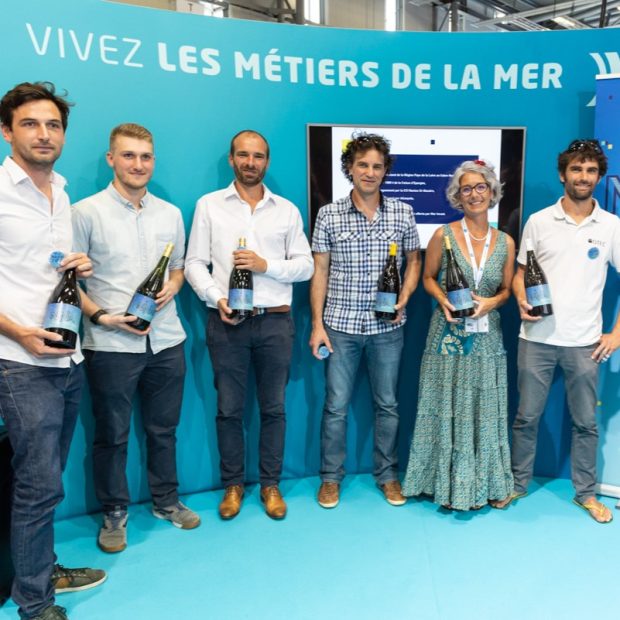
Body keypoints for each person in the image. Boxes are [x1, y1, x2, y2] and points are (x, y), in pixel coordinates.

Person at [0, 82, 106, 620]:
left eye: (54, 125)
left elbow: (51, 271)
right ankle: (35, 602)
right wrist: (18, 332)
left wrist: (81, 276)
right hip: (20, 362)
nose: (44, 134)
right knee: (37, 486)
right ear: (6, 131)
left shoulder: (62, 194)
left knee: (48, 482)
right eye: (30, 124)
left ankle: (41, 569)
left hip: (68, 356)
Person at [72, 123, 200, 554]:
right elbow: (67, 282)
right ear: (112, 159)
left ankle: (166, 501)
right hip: (110, 345)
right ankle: (114, 512)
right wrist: (102, 316)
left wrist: (173, 287)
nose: (138, 164)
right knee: (112, 435)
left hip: (166, 340)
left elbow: (178, 267)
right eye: (128, 155)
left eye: (145, 156)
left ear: (153, 161)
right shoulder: (85, 213)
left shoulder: (169, 213)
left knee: (164, 430)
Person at [185, 130, 313, 520]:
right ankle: (233, 486)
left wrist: (264, 265)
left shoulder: (286, 211)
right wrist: (215, 297)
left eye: (258, 156)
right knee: (229, 410)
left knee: (274, 409)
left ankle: (271, 485)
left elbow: (306, 267)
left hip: (275, 322)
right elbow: (194, 264)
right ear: (231, 159)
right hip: (228, 322)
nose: (250, 162)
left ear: (267, 162)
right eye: (243, 155)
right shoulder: (209, 205)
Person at [499, 139, 620, 523]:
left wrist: (616, 333)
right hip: (536, 340)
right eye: (576, 169)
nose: (583, 177)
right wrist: (521, 299)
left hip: (586, 343)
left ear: (599, 177)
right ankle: (518, 483)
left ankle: (585, 494)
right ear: (562, 174)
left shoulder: (612, 226)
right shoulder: (539, 221)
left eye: (591, 170)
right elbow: (520, 273)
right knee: (526, 419)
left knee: (586, 424)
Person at [310, 132, 422, 509]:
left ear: (385, 170)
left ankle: (388, 476)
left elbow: (415, 261)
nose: (370, 172)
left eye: (377, 166)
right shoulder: (329, 214)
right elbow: (320, 271)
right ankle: (330, 479)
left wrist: (405, 296)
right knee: (335, 407)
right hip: (340, 326)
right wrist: (317, 324)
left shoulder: (403, 212)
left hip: (387, 329)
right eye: (363, 165)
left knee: (387, 404)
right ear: (350, 168)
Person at [401, 160, 514, 510]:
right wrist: (442, 300)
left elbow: (507, 290)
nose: (474, 194)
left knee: (484, 411)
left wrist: (492, 302)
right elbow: (428, 278)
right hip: (447, 338)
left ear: (492, 192)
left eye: (481, 187)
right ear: (458, 196)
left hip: (487, 340)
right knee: (444, 406)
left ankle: (486, 484)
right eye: (467, 189)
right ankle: (440, 484)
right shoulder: (443, 235)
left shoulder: (506, 242)